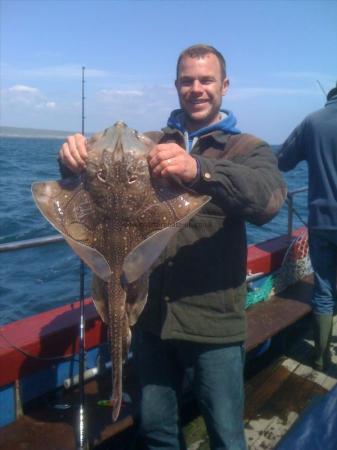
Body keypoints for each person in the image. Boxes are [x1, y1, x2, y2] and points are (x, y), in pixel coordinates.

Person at [59, 44, 286, 450]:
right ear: (176, 85)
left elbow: (268, 199)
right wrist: (72, 158)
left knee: (227, 436)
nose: (196, 88)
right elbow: (89, 180)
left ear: (225, 85)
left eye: (206, 80)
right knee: (157, 429)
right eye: (187, 80)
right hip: (149, 321)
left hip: (212, 324)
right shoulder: (146, 144)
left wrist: (201, 169)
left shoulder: (247, 148)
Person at [278, 82, 337, 373]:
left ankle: (320, 359)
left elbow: (283, 161)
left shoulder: (313, 120)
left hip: (322, 221)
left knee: (323, 290)